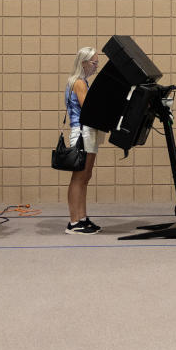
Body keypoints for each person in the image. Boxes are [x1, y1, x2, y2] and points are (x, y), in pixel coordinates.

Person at [64, 47, 104, 234]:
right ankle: (74, 222)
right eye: (94, 63)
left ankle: (82, 217)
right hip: (82, 133)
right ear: (83, 63)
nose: (96, 66)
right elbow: (88, 109)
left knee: (85, 177)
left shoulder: (83, 82)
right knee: (78, 178)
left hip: (88, 132)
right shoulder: (78, 83)